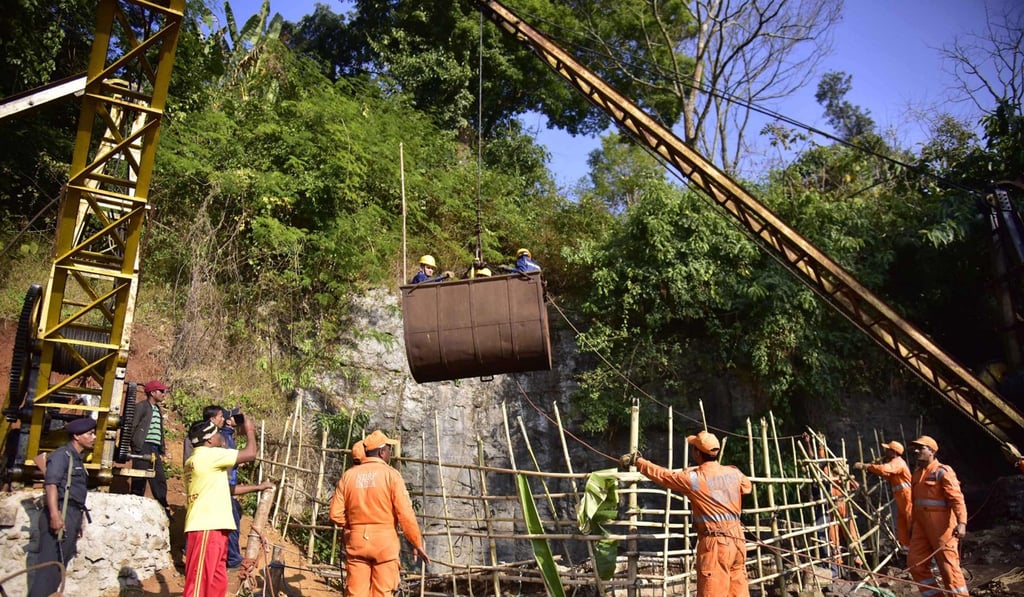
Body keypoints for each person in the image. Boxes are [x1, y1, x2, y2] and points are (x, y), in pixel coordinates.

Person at [621, 430, 752, 596]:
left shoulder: (693, 479)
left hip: (715, 543)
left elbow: (663, 475)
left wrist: (638, 461)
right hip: (737, 540)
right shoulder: (734, 472)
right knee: (738, 591)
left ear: (697, 453)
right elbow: (747, 487)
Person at [329, 430, 429, 597]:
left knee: (356, 593)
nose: (390, 452)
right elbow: (405, 514)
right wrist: (416, 542)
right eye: (389, 449)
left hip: (357, 543)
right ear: (382, 452)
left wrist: (354, 527)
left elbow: (334, 514)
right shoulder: (392, 475)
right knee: (383, 592)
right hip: (384, 545)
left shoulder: (348, 476)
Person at [183, 417, 266, 596]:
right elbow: (251, 453)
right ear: (209, 440)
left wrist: (257, 487)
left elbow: (227, 489)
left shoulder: (197, 460)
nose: (221, 436)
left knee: (215, 581)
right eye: (217, 433)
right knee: (200, 583)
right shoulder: (209, 455)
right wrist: (250, 430)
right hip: (207, 526)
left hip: (214, 527)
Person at [29, 417, 96, 597]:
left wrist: (78, 522)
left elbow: (75, 494)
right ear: (76, 436)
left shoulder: (76, 459)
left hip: (72, 514)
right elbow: (51, 485)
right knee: (48, 571)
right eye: (89, 433)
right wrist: (55, 515)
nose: (94, 437)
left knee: (58, 571)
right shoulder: (62, 455)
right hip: (61, 511)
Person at [907, 435, 969, 597]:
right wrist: (912, 526)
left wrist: (962, 522)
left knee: (949, 569)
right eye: (916, 447)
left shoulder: (943, 472)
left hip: (942, 528)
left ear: (932, 451)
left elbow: (957, 499)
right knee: (915, 565)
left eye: (921, 448)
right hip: (921, 527)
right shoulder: (917, 473)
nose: (916, 450)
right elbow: (915, 503)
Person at [220, 409, 272, 569]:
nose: (241, 421)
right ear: (228, 421)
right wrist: (249, 430)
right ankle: (233, 560)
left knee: (236, 515)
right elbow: (250, 454)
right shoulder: (224, 437)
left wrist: (236, 462)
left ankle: (229, 556)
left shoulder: (227, 437)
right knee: (232, 524)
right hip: (226, 489)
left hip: (228, 487)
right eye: (237, 418)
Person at [854, 440, 912, 551]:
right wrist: (871, 468)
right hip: (901, 496)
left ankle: (917, 546)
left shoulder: (897, 462)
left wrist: (867, 466)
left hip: (906, 495)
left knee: (910, 519)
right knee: (902, 521)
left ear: (893, 452)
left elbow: (885, 469)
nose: (885, 451)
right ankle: (906, 545)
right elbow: (886, 473)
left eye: (888, 449)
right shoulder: (895, 463)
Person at [129, 380, 170, 515]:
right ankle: (134, 508)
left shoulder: (157, 409)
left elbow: (160, 432)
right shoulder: (142, 407)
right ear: (152, 393)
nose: (164, 394)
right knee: (139, 477)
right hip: (142, 446)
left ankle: (163, 507)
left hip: (154, 449)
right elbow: (132, 426)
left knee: (159, 479)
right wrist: (133, 445)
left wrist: (162, 449)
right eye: (161, 391)